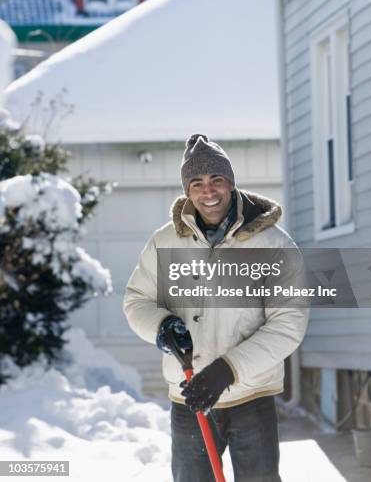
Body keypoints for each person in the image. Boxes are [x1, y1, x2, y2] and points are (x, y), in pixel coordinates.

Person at [123, 134, 309, 482]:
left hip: (251, 397)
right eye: (197, 183)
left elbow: (289, 324)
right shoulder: (164, 242)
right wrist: (161, 325)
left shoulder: (273, 245)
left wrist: (229, 368)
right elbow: (137, 300)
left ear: (231, 183)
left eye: (216, 180)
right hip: (189, 399)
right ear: (187, 190)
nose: (208, 191)